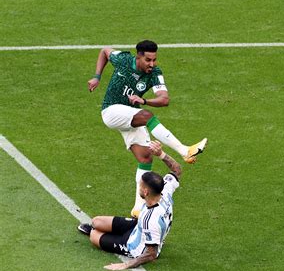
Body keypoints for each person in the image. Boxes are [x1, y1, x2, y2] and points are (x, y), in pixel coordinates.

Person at [87, 40, 206, 217]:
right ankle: (184, 150)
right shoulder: (124, 60)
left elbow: (164, 99)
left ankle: (137, 207)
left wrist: (145, 101)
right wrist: (97, 76)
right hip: (111, 111)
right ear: (139, 57)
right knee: (147, 116)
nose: (152, 64)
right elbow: (105, 51)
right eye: (148, 60)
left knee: (146, 156)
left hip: (131, 115)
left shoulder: (155, 74)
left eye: (154, 60)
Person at [77, 141, 181, 270]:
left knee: (93, 235)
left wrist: (125, 265)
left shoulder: (151, 220)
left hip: (134, 246)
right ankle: (105, 232)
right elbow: (176, 169)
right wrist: (161, 154)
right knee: (96, 221)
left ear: (146, 192)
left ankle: (104, 236)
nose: (139, 186)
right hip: (137, 227)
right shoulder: (164, 191)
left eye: (140, 185)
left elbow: (151, 254)